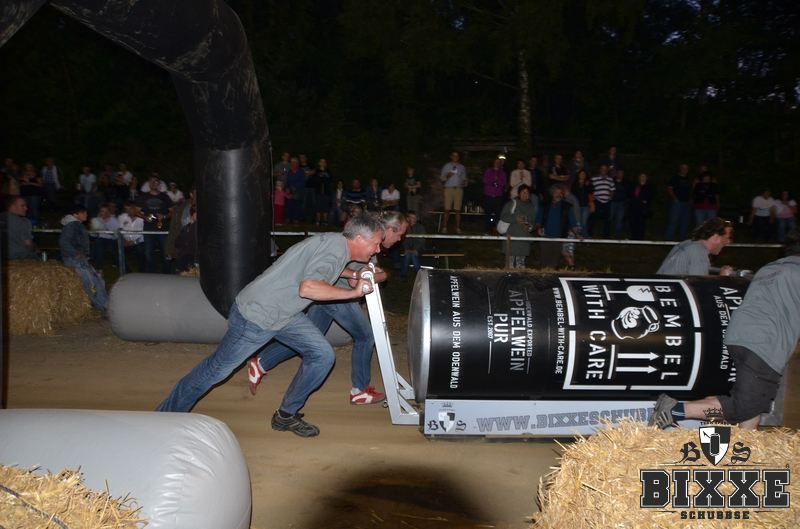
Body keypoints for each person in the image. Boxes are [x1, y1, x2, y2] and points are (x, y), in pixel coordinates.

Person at [156, 214, 385, 438]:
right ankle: (164, 417)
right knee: (213, 371)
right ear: (359, 239)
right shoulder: (334, 250)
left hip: (284, 314)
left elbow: (326, 268)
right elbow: (308, 288)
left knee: (322, 355)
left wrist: (353, 273)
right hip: (256, 317)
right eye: (375, 243)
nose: (377, 249)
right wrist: (353, 293)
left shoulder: (335, 243)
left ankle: (285, 415)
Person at [651, 230, 800, 430]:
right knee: (744, 406)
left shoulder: (770, 267)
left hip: (738, 333)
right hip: (766, 341)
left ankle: (746, 445)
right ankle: (676, 410)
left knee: (754, 401)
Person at [59, 205, 109, 313]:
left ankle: (103, 304)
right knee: (92, 283)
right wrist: (75, 253)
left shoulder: (76, 225)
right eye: (83, 213)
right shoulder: (72, 225)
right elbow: (64, 241)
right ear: (75, 214)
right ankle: (104, 306)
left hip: (78, 259)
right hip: (75, 260)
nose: (86, 215)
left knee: (96, 280)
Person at [656, 216, 733, 276]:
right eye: (726, 238)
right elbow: (700, 286)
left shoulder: (687, 243)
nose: (728, 242)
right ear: (716, 237)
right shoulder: (698, 252)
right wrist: (723, 277)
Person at [534, 184, 579, 269]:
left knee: (554, 262)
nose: (559, 195)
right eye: (556, 192)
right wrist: (538, 228)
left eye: (561, 193)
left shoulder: (567, 206)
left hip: (559, 238)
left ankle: (551, 275)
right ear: (552, 193)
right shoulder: (544, 205)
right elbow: (538, 220)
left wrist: (578, 234)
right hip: (545, 237)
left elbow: (573, 223)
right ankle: (544, 275)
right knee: (544, 261)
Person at [137, 175, 173, 273]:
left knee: (166, 253)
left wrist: (164, 216)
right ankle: (153, 273)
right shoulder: (143, 197)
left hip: (163, 228)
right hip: (149, 229)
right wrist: (145, 217)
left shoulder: (164, 197)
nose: (153, 183)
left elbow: (172, 212)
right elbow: (136, 211)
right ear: (149, 183)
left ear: (159, 184)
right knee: (148, 253)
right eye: (151, 181)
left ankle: (167, 273)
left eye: (156, 181)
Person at [500, 184, 537, 268]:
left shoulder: (531, 207)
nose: (525, 194)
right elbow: (503, 216)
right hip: (511, 236)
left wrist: (530, 227)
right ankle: (508, 276)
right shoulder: (511, 203)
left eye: (527, 193)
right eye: (523, 192)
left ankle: (520, 276)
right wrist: (515, 218)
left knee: (521, 265)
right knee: (509, 265)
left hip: (524, 239)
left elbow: (533, 222)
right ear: (519, 193)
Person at [1, 195, 38, 260]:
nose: (26, 208)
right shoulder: (24, 221)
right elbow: (28, 244)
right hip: (21, 257)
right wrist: (35, 248)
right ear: (13, 206)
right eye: (22, 206)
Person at [440, 151, 467, 233]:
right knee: (447, 209)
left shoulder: (462, 167)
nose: (455, 157)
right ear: (451, 156)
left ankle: (458, 228)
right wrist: (448, 175)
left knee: (457, 210)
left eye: (457, 156)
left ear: (458, 157)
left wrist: (464, 183)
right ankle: (444, 227)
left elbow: (464, 179)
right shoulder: (447, 166)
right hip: (449, 189)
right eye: (454, 155)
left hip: (458, 189)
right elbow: (442, 178)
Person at [665, 163, 693, 241]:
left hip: (687, 203)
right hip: (677, 203)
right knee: (673, 221)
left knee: (685, 222)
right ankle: (669, 240)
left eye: (686, 168)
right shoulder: (675, 178)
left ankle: (682, 239)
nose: (685, 170)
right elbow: (669, 188)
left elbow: (691, 190)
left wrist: (690, 199)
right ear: (680, 168)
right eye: (683, 168)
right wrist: (675, 198)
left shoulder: (689, 179)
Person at [89, 203, 120, 270]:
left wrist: (108, 231)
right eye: (102, 211)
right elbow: (93, 235)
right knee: (98, 243)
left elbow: (118, 235)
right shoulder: (96, 220)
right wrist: (92, 229)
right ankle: (99, 268)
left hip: (112, 240)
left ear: (109, 212)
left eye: (106, 211)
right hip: (101, 240)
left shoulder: (114, 220)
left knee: (111, 248)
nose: (105, 213)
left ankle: (123, 266)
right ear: (100, 212)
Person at [482, 157, 507, 232]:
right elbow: (485, 180)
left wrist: (497, 180)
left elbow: (504, 183)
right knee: (488, 213)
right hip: (489, 196)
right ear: (493, 163)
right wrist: (493, 180)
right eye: (496, 162)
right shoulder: (488, 171)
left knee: (498, 214)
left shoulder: (502, 173)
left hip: (498, 196)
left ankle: (497, 229)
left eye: (498, 162)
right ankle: (487, 229)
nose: (497, 163)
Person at [628, 172, 655, 240]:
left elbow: (649, 197)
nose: (642, 178)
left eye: (644, 177)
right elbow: (631, 195)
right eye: (641, 176)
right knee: (633, 223)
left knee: (642, 224)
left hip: (643, 209)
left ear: (646, 178)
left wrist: (645, 201)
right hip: (634, 207)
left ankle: (640, 238)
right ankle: (633, 237)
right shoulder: (634, 186)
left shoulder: (649, 187)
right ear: (639, 178)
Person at [401, 211, 425, 277]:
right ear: (408, 218)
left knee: (413, 255)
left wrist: (416, 249)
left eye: (414, 217)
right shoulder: (405, 227)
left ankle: (419, 275)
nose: (413, 219)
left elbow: (421, 241)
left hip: (419, 248)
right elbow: (404, 241)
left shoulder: (420, 227)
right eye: (411, 217)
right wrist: (406, 249)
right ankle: (403, 275)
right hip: (408, 248)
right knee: (408, 255)